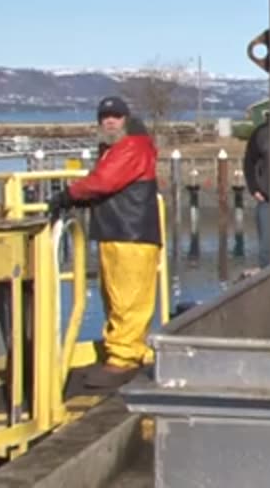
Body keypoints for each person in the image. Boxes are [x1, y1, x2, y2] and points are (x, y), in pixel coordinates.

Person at [48, 96, 162, 389]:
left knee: (128, 298)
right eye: (105, 117)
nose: (110, 121)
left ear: (126, 119)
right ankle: (128, 351)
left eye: (116, 116)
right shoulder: (118, 148)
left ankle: (122, 360)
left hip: (130, 234)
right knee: (117, 296)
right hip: (120, 232)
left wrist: (69, 195)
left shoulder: (131, 147)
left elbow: (103, 181)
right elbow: (109, 184)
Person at [242, 113, 270, 269]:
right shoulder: (261, 134)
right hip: (267, 200)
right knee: (267, 249)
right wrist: (254, 189)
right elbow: (249, 162)